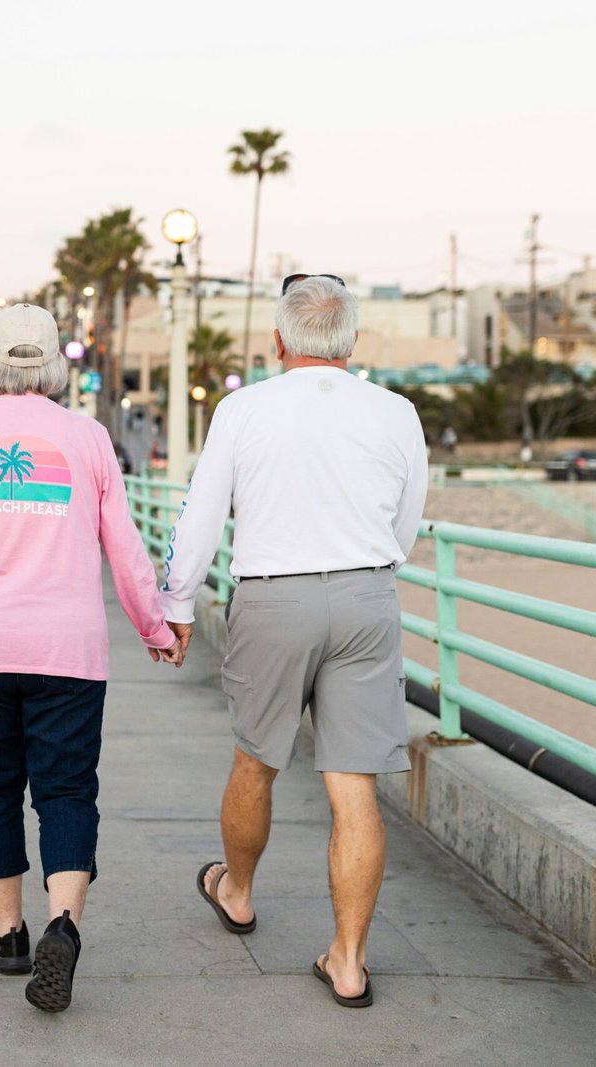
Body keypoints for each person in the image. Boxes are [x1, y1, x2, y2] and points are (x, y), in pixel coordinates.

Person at [0, 303, 185, 1014]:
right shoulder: (88, 438)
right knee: (67, 790)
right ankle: (63, 926)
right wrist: (155, 626)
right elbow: (124, 547)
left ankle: (9, 934)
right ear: (56, 364)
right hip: (68, 648)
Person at [159, 275, 429, 1010]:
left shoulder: (243, 409)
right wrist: (366, 567)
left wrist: (177, 604)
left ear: (278, 340)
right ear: (352, 342)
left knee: (257, 759)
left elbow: (201, 514)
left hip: (273, 597)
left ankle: (238, 891)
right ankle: (349, 961)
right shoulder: (397, 412)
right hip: (367, 596)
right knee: (354, 783)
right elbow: (406, 519)